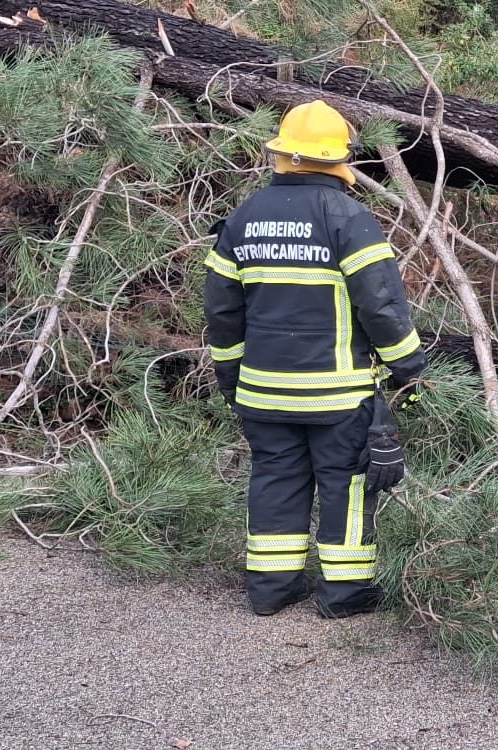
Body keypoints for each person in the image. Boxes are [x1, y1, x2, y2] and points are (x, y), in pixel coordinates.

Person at [203, 100, 427, 619]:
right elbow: (381, 304)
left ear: (283, 155)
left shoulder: (244, 218)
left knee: (276, 479)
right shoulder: (347, 217)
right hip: (338, 392)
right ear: (337, 161)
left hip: (262, 391)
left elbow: (221, 309)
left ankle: (272, 588)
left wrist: (232, 376)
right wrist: (410, 368)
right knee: (346, 484)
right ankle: (344, 595)